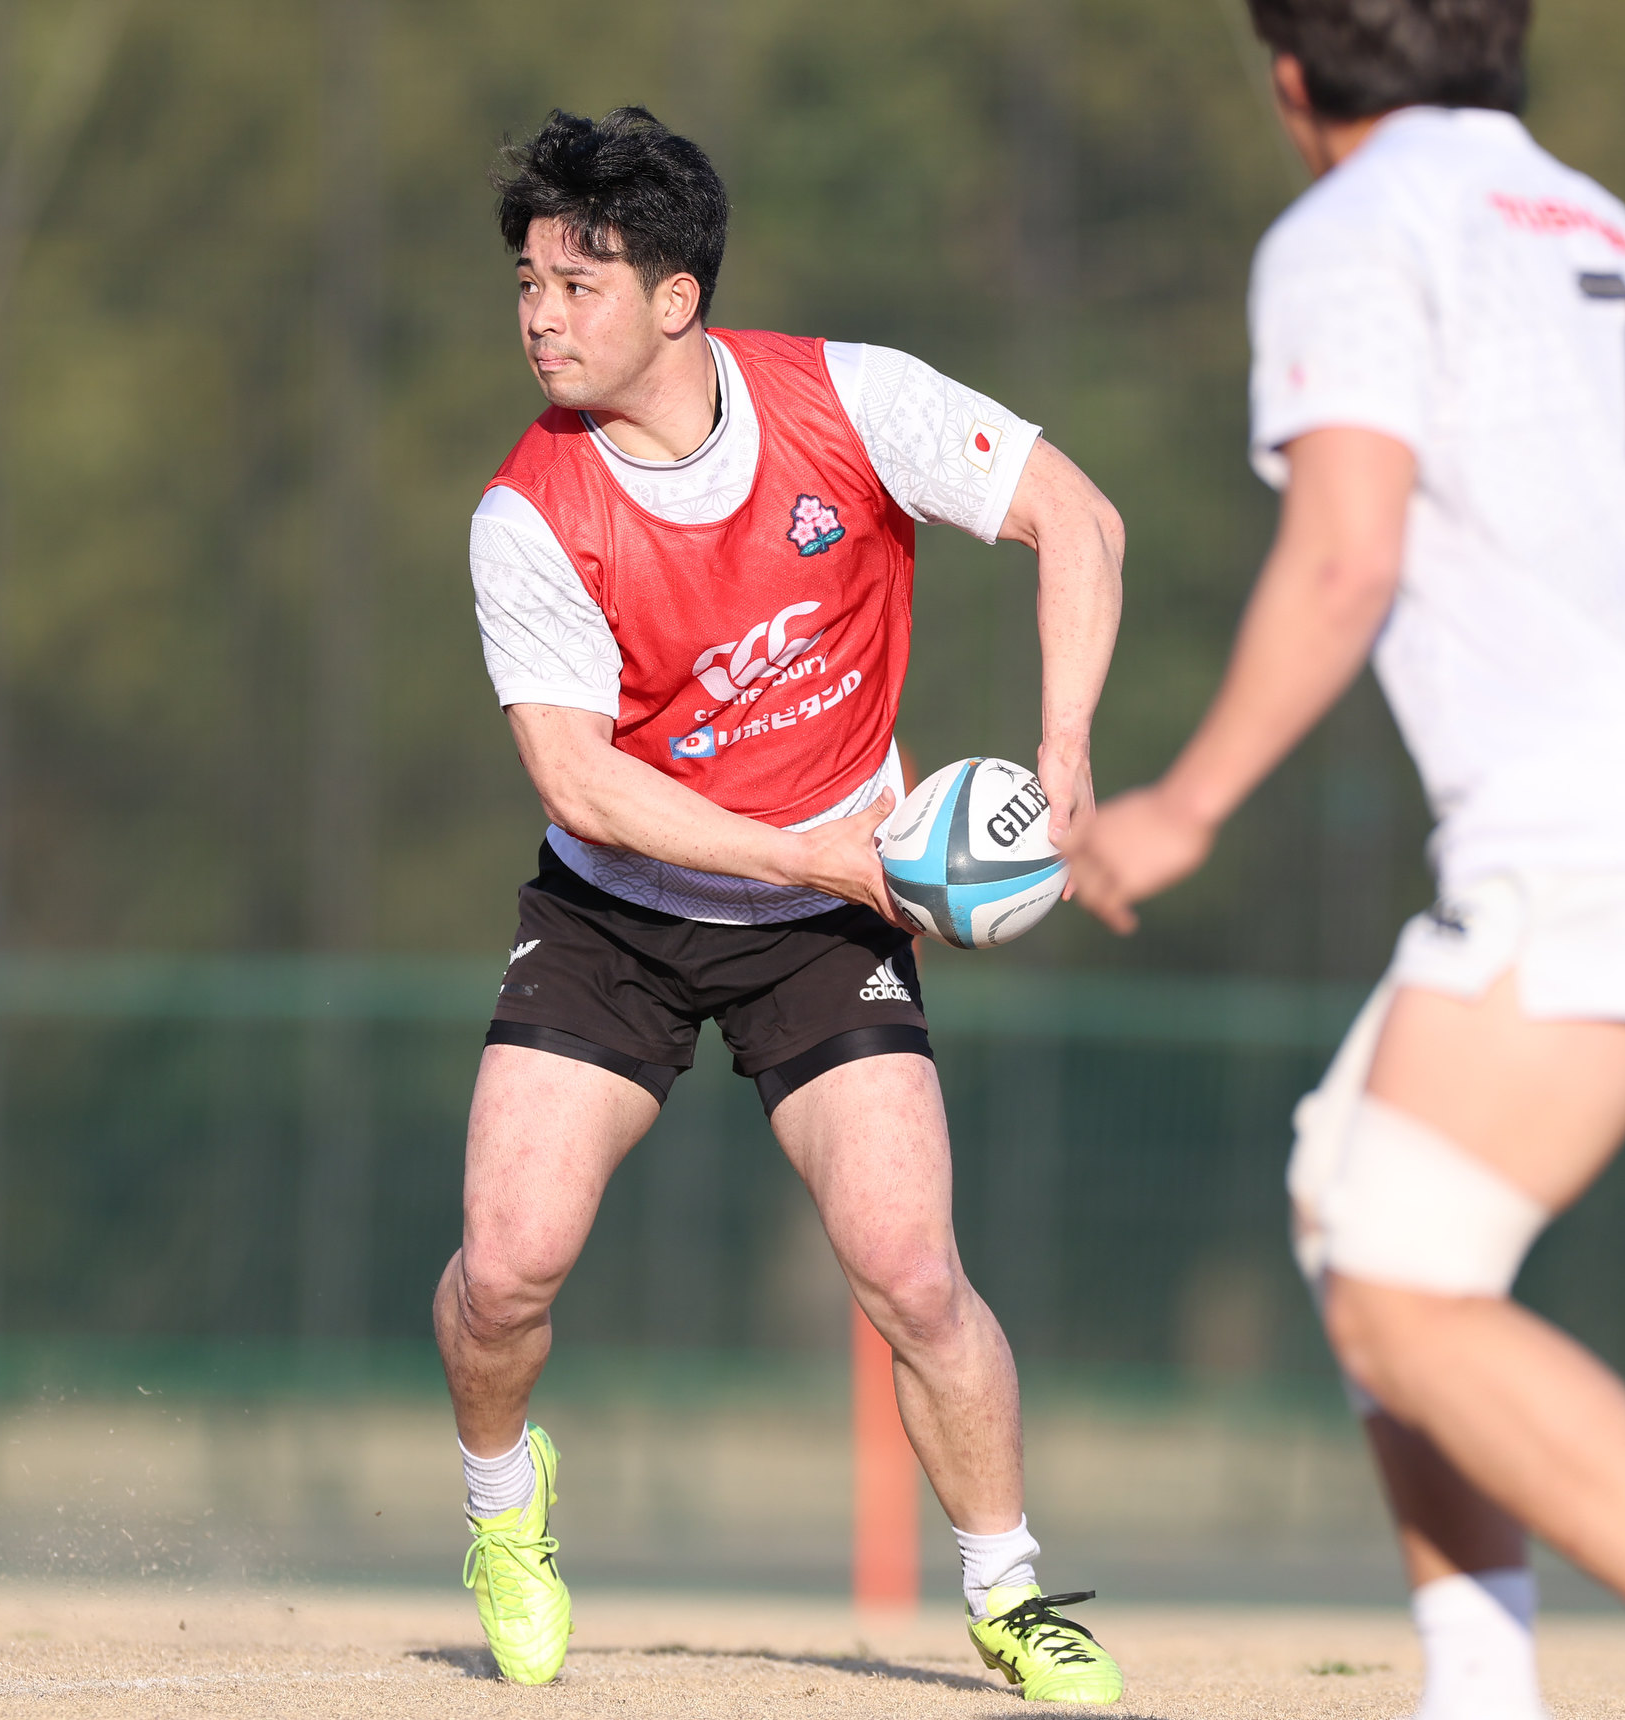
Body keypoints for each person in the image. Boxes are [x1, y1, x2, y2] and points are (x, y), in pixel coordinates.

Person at [1063, 6, 1625, 1720]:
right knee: (1347, 1199)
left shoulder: (1354, 229)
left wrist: (1186, 805)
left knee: (1404, 1289)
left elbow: (1345, 559)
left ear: (1292, 78)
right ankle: (1479, 1678)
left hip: (1588, 826)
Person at [443, 107, 1127, 1701]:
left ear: (676, 298)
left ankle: (1012, 1594)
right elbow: (583, 786)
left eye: (578, 284)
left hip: (823, 929)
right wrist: (828, 857)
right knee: (507, 1265)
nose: (541, 315)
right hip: (619, 914)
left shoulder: (849, 402)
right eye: (528, 283)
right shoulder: (528, 514)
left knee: (912, 1271)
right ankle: (501, 1509)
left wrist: (1065, 749)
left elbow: (1077, 521)